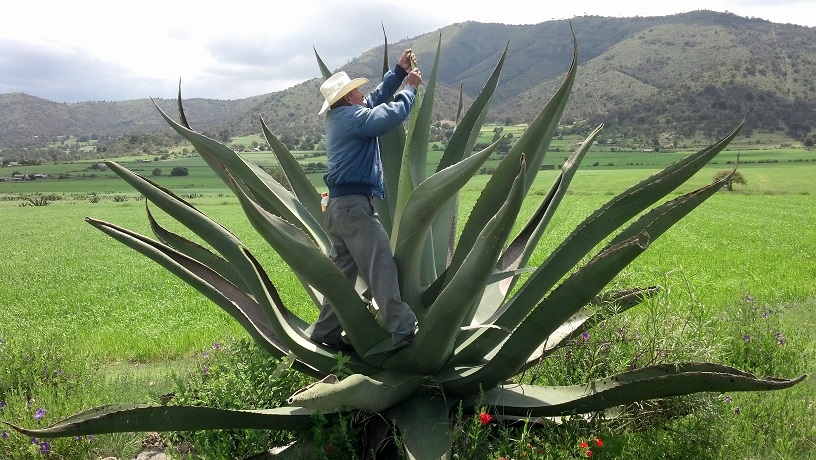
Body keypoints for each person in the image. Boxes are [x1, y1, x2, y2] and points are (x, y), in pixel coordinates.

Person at [309, 49, 422, 352]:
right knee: (380, 262)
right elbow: (388, 115)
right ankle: (403, 327)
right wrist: (409, 89)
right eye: (356, 91)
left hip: (337, 208)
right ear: (347, 98)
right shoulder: (353, 119)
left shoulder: (341, 117)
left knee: (343, 277)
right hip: (353, 209)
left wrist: (397, 74)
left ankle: (325, 334)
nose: (361, 94)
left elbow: (374, 101)